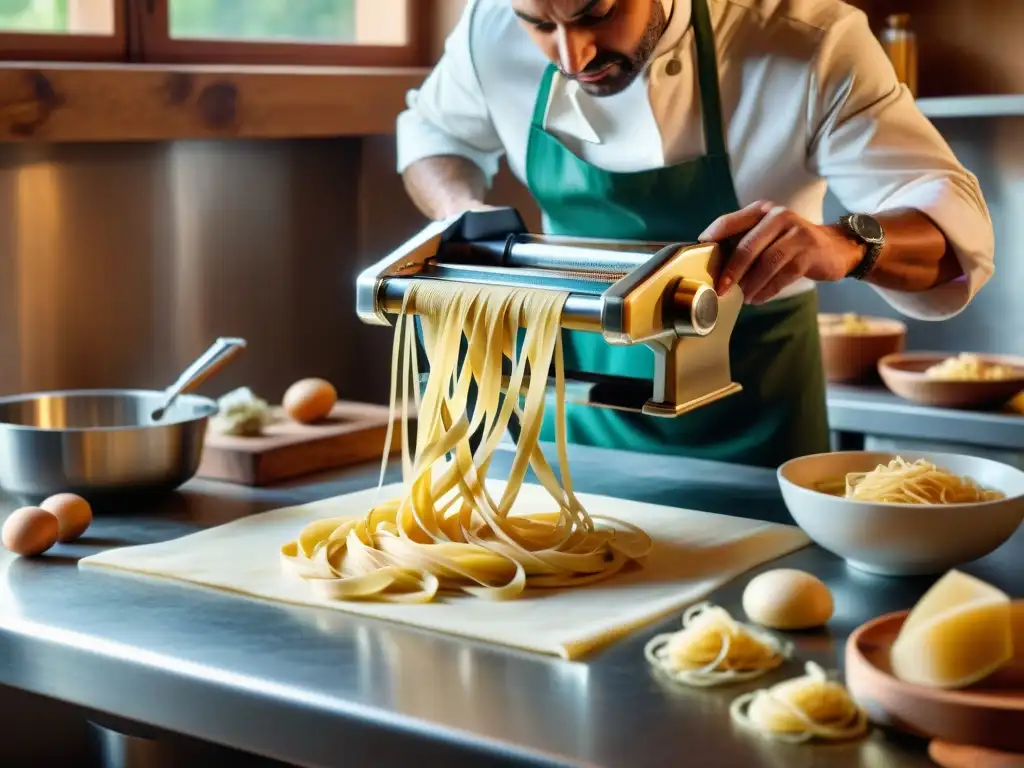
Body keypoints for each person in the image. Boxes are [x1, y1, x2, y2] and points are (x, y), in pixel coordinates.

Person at [395, 0, 994, 468]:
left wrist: (848, 243)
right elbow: (434, 134)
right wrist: (463, 216)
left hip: (752, 407)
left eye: (597, 14)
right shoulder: (488, 28)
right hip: (571, 401)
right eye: (539, 26)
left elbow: (953, 237)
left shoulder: (810, 40)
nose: (573, 56)